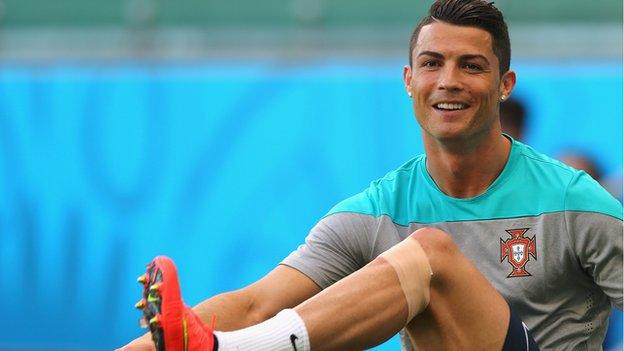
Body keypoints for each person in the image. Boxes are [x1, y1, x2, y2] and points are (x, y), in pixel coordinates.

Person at [118, 1, 623, 350]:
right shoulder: (377, 210)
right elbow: (255, 304)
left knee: (430, 255)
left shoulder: (577, 201)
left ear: (504, 84)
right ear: (409, 81)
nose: (448, 80)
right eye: (432, 63)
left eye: (471, 66)